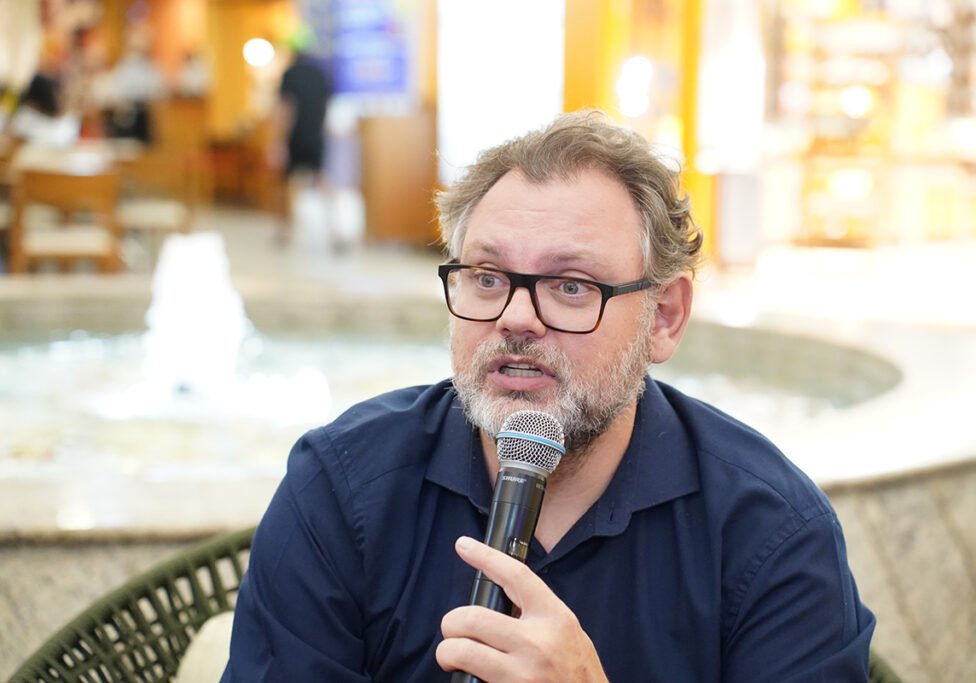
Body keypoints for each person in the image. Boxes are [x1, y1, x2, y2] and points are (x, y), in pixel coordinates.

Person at [222, 110, 875, 681]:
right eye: (487, 277)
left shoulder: (771, 533)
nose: (516, 317)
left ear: (664, 317)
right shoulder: (342, 489)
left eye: (570, 286)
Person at [269, 39, 331, 245]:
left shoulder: (290, 75)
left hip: (294, 136)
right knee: (321, 179)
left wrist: (277, 142)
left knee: (285, 185)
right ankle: (333, 229)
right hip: (316, 135)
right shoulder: (321, 75)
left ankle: (284, 231)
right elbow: (325, 107)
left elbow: (285, 109)